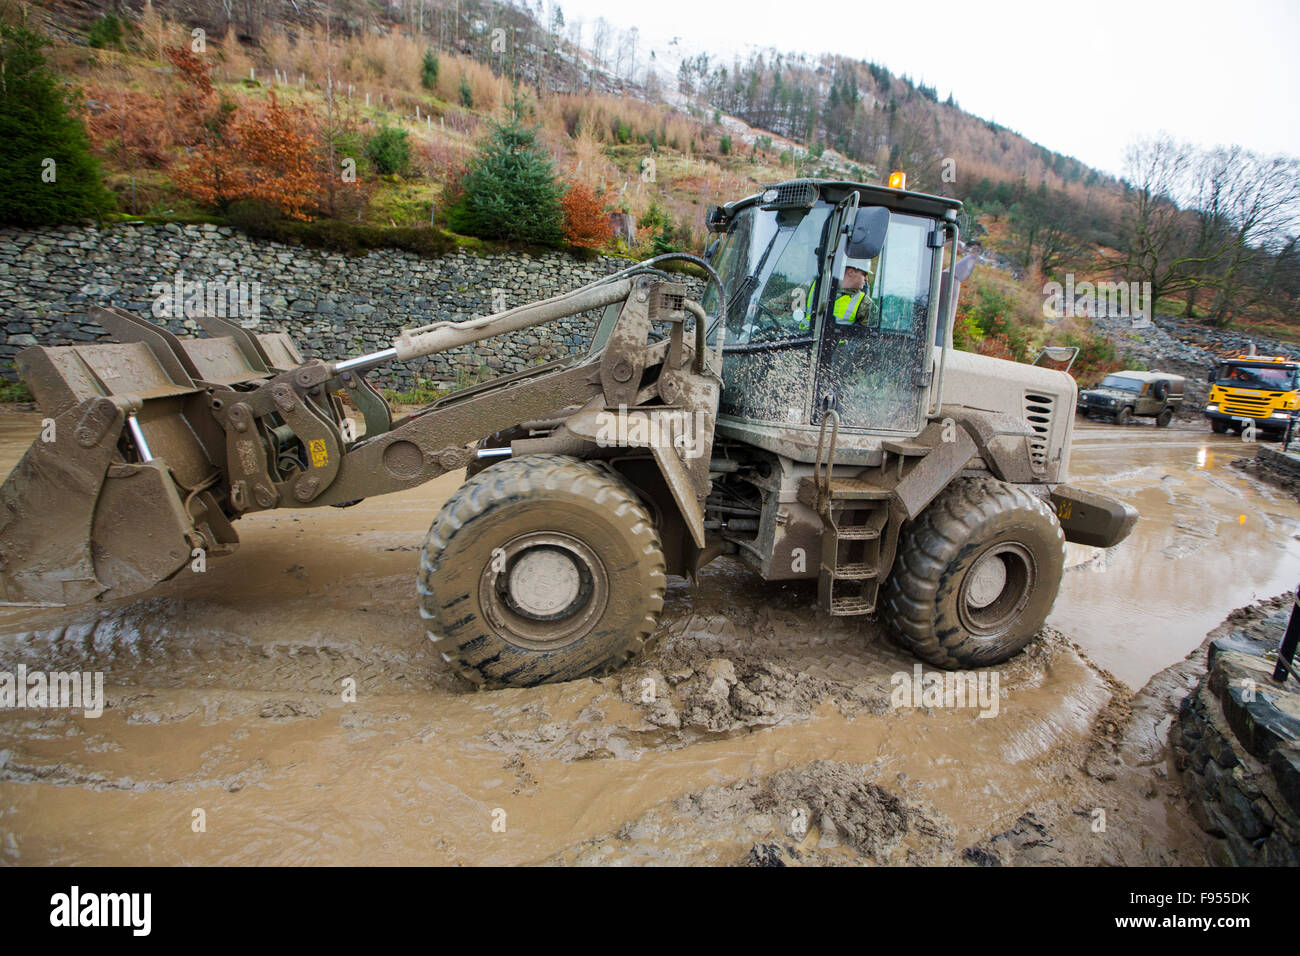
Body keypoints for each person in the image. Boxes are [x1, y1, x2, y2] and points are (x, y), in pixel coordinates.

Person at [795, 257, 873, 330]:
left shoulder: (865, 302)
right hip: (804, 340)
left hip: (835, 344)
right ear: (851, 272)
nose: (866, 279)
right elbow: (785, 304)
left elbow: (869, 334)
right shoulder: (811, 286)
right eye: (864, 274)